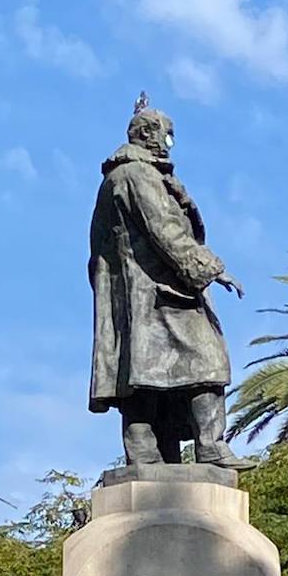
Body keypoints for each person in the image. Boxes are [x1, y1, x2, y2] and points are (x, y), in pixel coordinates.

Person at [87, 95, 254, 471]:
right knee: (206, 362)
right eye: (168, 135)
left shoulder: (129, 175)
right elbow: (166, 231)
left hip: (147, 295)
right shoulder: (137, 175)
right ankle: (209, 447)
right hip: (160, 294)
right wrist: (211, 268)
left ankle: (153, 456)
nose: (170, 143)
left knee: (145, 375)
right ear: (148, 134)